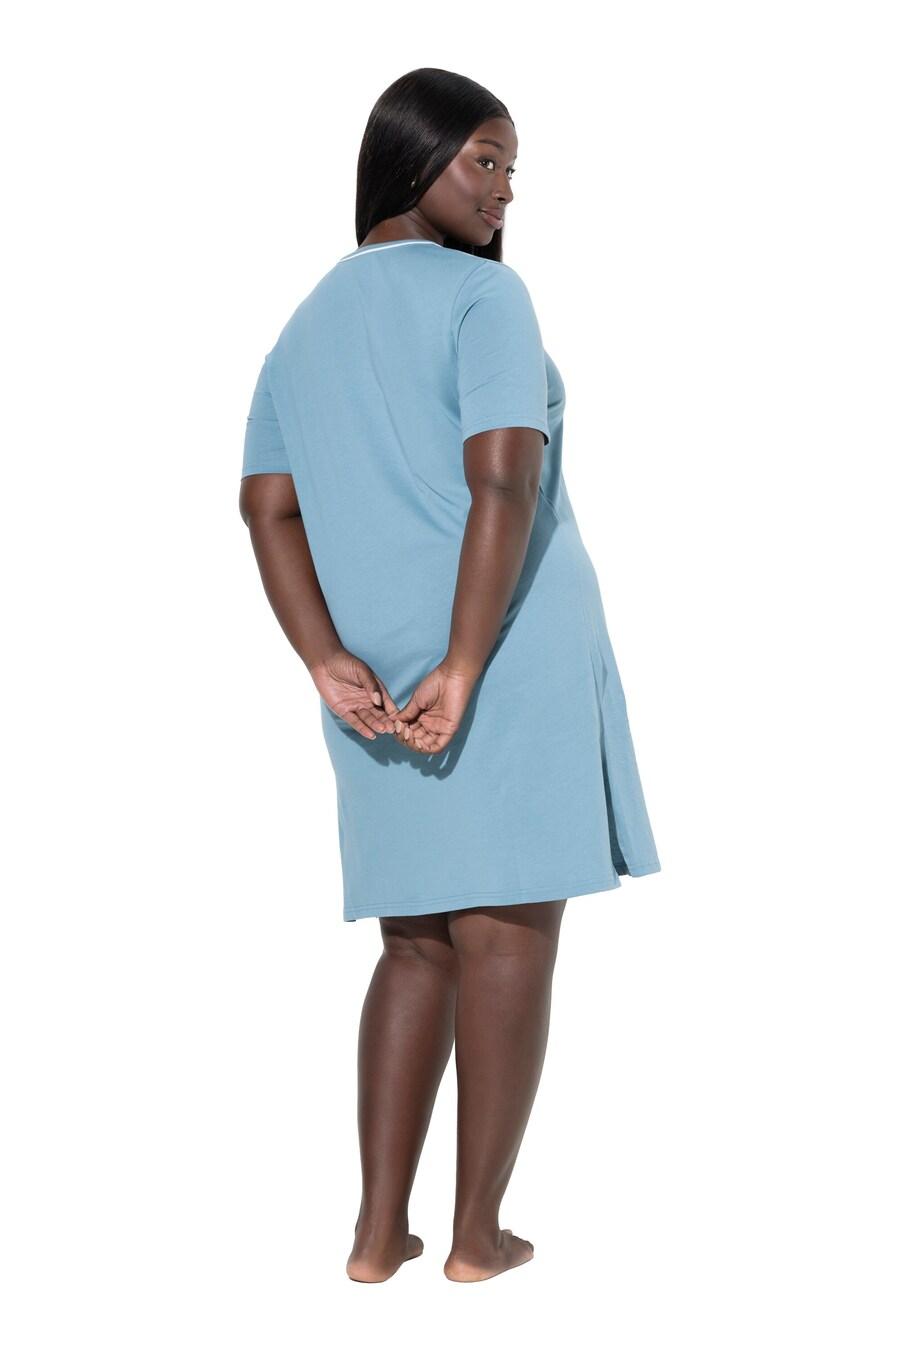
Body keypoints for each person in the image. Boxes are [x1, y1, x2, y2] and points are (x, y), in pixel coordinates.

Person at [239, 67, 661, 1284]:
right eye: (484, 158)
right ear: (411, 153)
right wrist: (468, 663)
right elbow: (504, 480)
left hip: (373, 682)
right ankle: (477, 1238)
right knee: (508, 931)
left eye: (512, 169)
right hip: (506, 653)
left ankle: (378, 1236)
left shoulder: (304, 324)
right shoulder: (488, 299)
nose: (504, 188)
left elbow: (267, 508)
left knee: (415, 944)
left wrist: (324, 656)